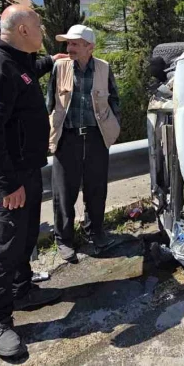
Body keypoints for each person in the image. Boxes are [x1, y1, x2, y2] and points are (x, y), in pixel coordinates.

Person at [0, 5, 68, 358]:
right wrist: (7, 185)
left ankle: (23, 291)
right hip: (8, 177)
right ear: (23, 30)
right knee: (7, 247)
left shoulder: (17, 64)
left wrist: (51, 61)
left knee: (25, 236)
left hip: (26, 169)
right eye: (38, 25)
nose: (42, 30)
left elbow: (27, 76)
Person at [47, 24, 121, 262]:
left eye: (74, 44)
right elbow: (49, 102)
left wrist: (114, 127)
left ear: (90, 47)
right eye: (68, 43)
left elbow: (114, 99)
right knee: (64, 192)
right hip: (67, 137)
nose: (69, 48)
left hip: (96, 136)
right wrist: (50, 132)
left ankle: (96, 232)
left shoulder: (103, 67)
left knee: (96, 189)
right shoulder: (60, 67)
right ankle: (64, 240)